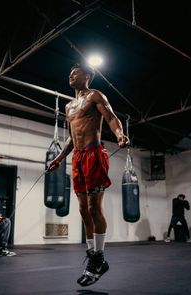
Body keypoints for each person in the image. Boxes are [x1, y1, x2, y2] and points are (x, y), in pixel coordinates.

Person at [49, 63, 128, 286]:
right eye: (70, 73)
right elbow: (72, 138)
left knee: (94, 207)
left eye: (75, 73)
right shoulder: (69, 106)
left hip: (94, 153)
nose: (70, 75)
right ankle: (93, 257)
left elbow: (112, 118)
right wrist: (58, 159)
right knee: (83, 209)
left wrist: (120, 134)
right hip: (78, 158)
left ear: (88, 76)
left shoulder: (95, 95)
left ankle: (99, 257)